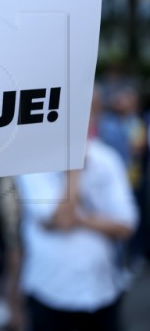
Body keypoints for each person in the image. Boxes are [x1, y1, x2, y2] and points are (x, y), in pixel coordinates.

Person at [16, 89, 139, 331]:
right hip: (51, 294)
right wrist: (75, 168)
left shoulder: (108, 160)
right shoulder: (32, 161)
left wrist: (81, 220)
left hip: (101, 293)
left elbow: (126, 225)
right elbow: (62, 219)